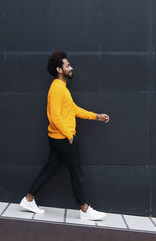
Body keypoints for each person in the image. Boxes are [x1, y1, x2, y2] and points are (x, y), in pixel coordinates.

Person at [19, 51, 109, 221]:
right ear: (59, 69)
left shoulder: (62, 89)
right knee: (76, 172)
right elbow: (54, 116)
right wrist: (69, 135)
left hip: (58, 138)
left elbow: (73, 109)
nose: (71, 67)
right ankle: (84, 209)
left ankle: (28, 199)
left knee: (50, 169)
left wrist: (96, 116)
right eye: (68, 66)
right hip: (62, 139)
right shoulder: (57, 89)